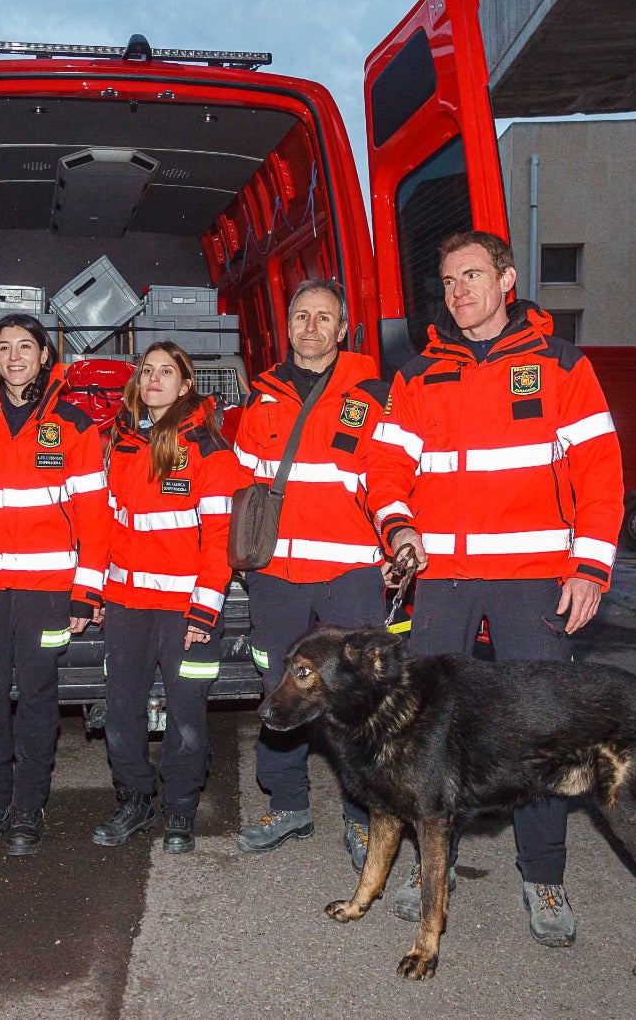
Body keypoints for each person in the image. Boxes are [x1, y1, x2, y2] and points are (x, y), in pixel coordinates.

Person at [369, 230, 624, 946]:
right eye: (450, 282)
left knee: (541, 734)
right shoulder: (418, 375)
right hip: (442, 581)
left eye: (473, 276)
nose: (460, 292)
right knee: (425, 736)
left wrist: (591, 567)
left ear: (507, 280)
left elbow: (600, 474)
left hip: (533, 582)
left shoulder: (560, 365)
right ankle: (434, 871)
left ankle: (543, 876)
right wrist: (400, 532)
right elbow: (384, 474)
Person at [0, 313, 110, 856]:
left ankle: (29, 808)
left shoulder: (76, 425)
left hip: (46, 592)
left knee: (36, 700)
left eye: (25, 347)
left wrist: (87, 588)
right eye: (4, 347)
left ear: (44, 356)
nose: (14, 357)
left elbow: (93, 516)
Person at [232, 278, 392, 864]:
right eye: (301, 316)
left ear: (342, 326)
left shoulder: (374, 392)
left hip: (350, 571)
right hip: (276, 572)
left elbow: (391, 475)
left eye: (323, 317)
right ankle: (288, 804)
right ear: (288, 325)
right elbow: (245, 484)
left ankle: (360, 815)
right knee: (278, 688)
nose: (310, 327)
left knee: (357, 696)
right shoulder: (264, 394)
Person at [92, 342, 246, 855]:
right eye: (146, 370)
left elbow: (221, 538)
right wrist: (95, 592)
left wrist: (205, 611)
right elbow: (106, 526)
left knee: (185, 715)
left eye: (166, 372)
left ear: (185, 387)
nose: (153, 378)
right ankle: (133, 802)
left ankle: (180, 810)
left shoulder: (208, 450)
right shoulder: (118, 444)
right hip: (127, 606)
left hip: (187, 613)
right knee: (122, 710)